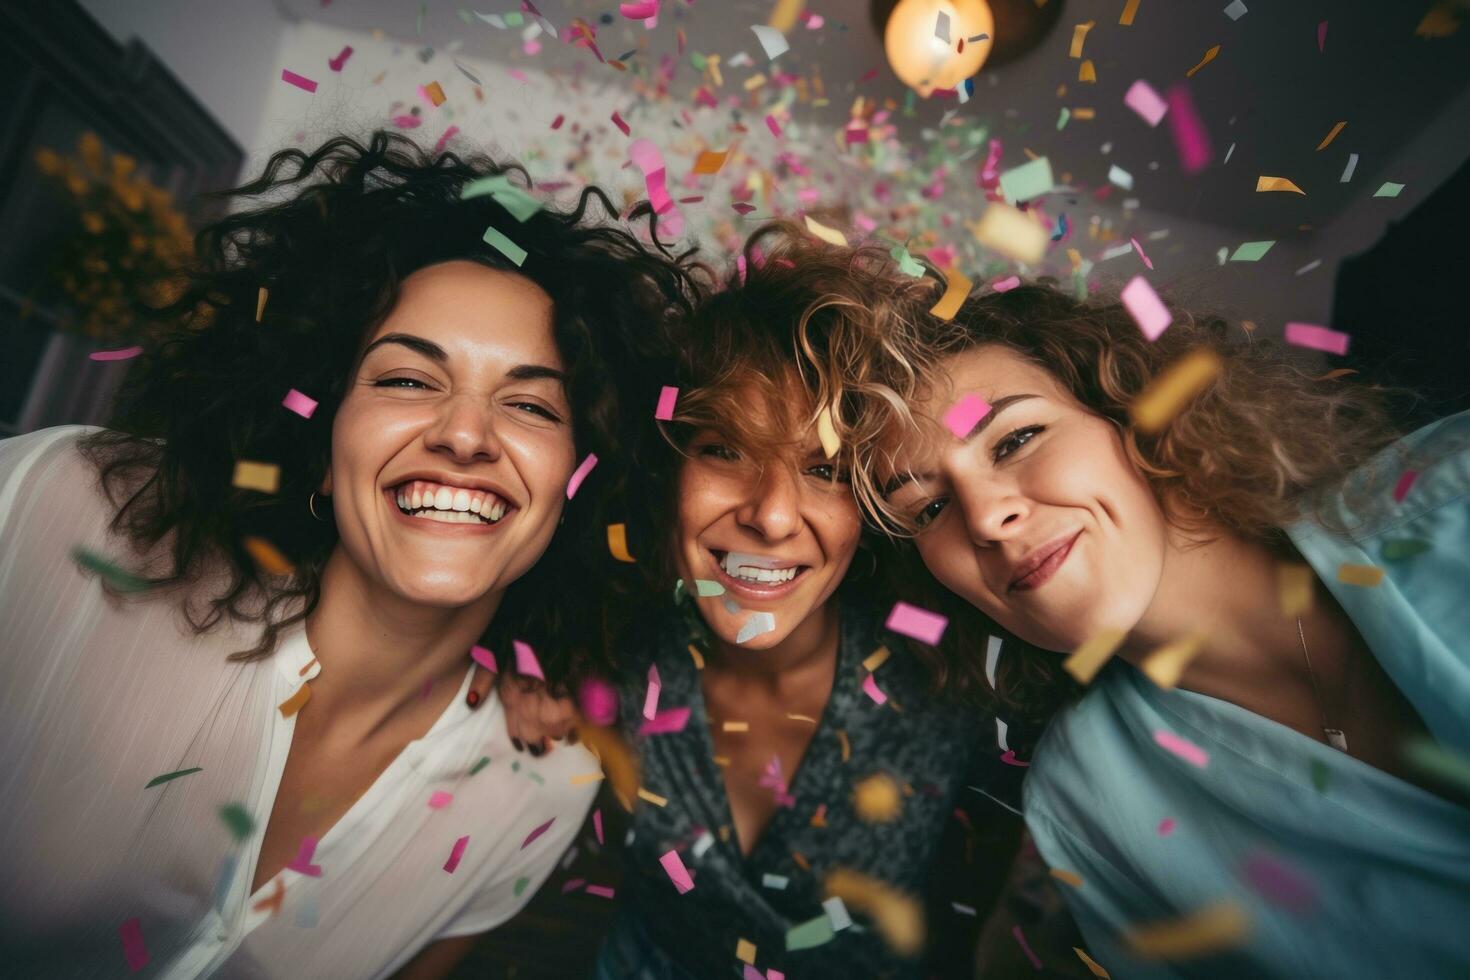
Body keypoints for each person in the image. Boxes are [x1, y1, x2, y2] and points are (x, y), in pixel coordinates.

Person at [0, 131, 701, 979]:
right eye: (407, 380)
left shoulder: (543, 784)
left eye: (531, 406)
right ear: (321, 431)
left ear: (581, 484)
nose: (466, 436)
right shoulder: (60, 512)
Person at [878, 282, 1470, 977]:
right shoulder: (1087, 800)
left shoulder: (1452, 501)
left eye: (1017, 438)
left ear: (1134, 413)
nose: (984, 517)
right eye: (928, 508)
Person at [500, 223, 1025, 979]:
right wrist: (524, 663)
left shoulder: (960, 679)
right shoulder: (604, 628)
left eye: (826, 470)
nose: (772, 517)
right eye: (724, 450)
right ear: (665, 470)